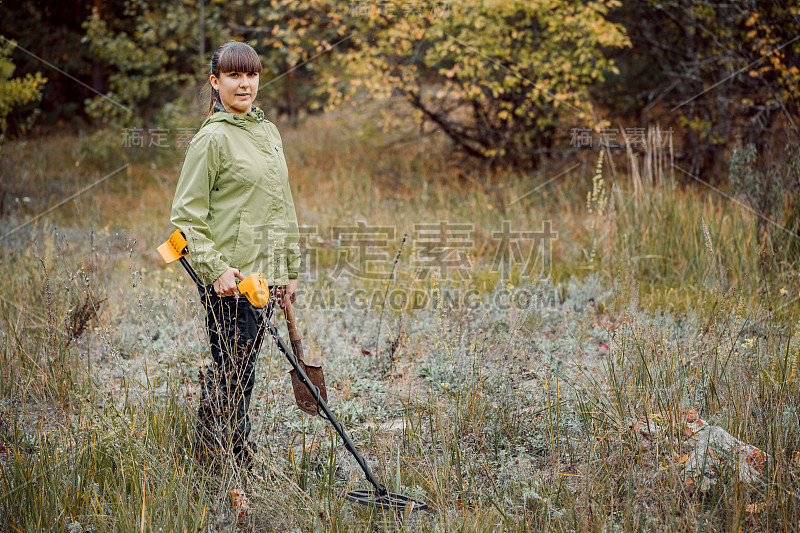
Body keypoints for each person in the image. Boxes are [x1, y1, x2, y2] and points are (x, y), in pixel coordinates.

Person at [169, 40, 301, 468]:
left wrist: (287, 270)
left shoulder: (267, 131)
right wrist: (216, 269)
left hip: (264, 279)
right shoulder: (211, 139)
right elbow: (186, 217)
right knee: (234, 372)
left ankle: (218, 453)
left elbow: (282, 203)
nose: (245, 84)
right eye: (234, 75)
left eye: (251, 74)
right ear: (215, 81)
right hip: (232, 281)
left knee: (240, 371)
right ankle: (229, 460)